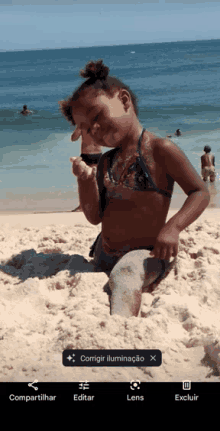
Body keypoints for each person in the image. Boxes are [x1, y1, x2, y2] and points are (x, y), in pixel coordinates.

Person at [58, 59, 210, 318]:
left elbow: (200, 192)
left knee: (126, 274)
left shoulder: (160, 150)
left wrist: (172, 228)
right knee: (115, 270)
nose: (93, 131)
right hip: (104, 253)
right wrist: (84, 181)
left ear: (124, 100)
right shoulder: (106, 161)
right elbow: (95, 217)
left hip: (146, 254)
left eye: (97, 117)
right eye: (85, 129)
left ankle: (121, 331)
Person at [70, 126, 102, 212]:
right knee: (82, 182)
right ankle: (82, 206)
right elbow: (73, 138)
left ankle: (98, 204)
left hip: (97, 155)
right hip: (86, 156)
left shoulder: (100, 124)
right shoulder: (83, 124)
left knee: (96, 182)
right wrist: (78, 129)